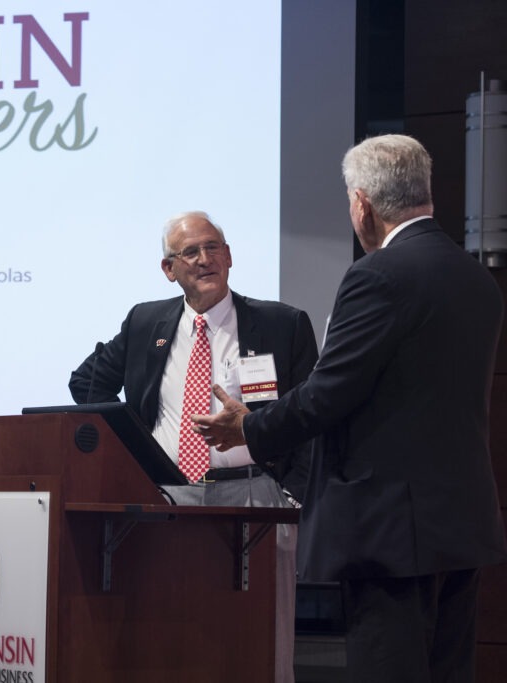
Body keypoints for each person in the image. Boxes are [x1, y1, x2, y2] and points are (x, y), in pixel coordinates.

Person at [192, 134, 507, 682]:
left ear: (362, 204)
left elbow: (326, 394)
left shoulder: (378, 275)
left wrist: (251, 427)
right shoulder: (475, 276)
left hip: (390, 534)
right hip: (460, 525)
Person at [69, 210, 318, 683]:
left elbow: (313, 416)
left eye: (214, 248)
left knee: (261, 646)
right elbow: (86, 383)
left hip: (256, 498)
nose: (205, 259)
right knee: (172, 638)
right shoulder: (146, 322)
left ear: (229, 256)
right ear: (169, 269)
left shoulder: (281, 324)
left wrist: (294, 495)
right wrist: (134, 447)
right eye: (191, 252)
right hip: (169, 499)